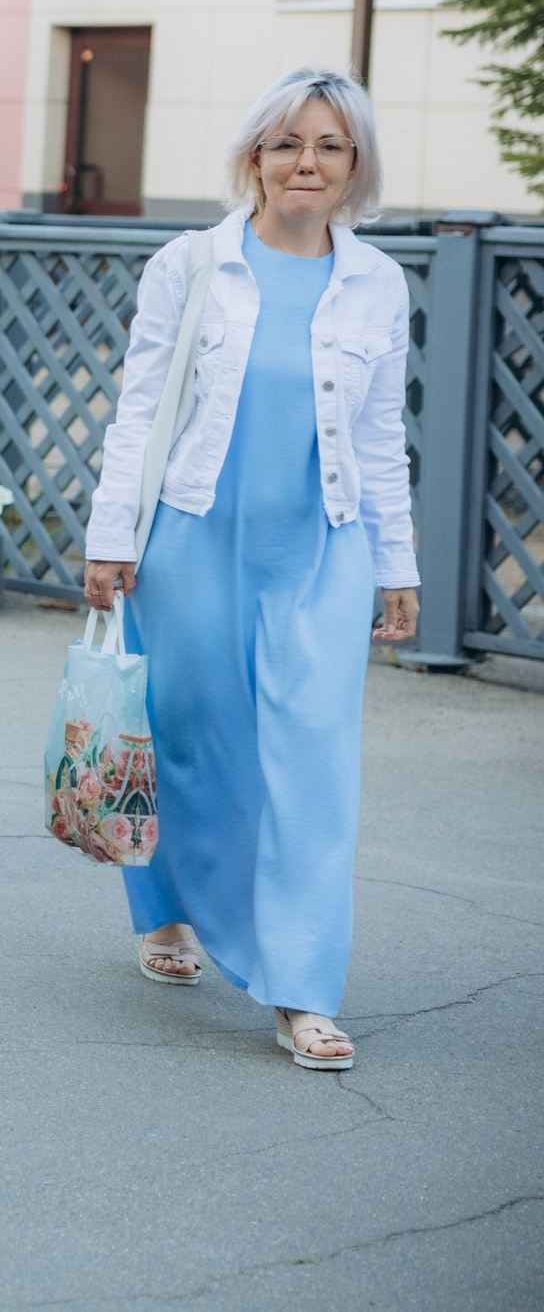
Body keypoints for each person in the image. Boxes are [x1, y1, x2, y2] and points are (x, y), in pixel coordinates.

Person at [82, 69, 418, 1074]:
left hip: (322, 549)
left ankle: (298, 985)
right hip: (192, 540)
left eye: (326, 146)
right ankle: (166, 908)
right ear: (252, 159)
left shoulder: (376, 282)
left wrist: (394, 562)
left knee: (312, 765)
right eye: (284, 144)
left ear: (354, 167)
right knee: (192, 744)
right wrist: (111, 537)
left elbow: (378, 432)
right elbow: (140, 407)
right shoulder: (191, 265)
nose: (304, 163)